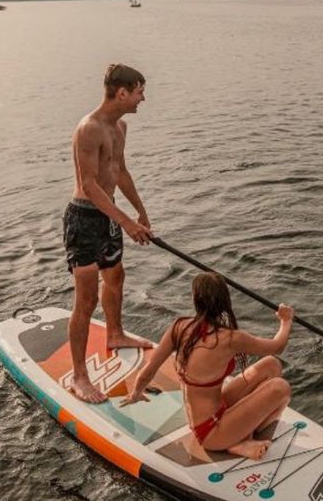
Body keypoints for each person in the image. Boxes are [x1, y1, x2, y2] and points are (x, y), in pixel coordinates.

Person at [122, 272, 294, 460]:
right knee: (280, 387)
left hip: (214, 412)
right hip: (212, 432)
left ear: (195, 300)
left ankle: (241, 433)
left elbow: (149, 369)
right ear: (224, 301)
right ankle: (237, 442)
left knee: (271, 365)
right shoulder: (229, 339)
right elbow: (277, 346)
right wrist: (286, 321)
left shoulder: (179, 327)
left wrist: (136, 393)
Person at [63, 63, 154, 403]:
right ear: (122, 92)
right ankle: (79, 376)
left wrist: (140, 211)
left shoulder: (121, 128)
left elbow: (120, 172)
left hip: (110, 216)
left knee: (116, 278)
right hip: (84, 219)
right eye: (139, 91)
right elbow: (89, 185)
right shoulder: (89, 129)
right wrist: (127, 223)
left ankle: (115, 334)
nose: (142, 98)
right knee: (85, 300)